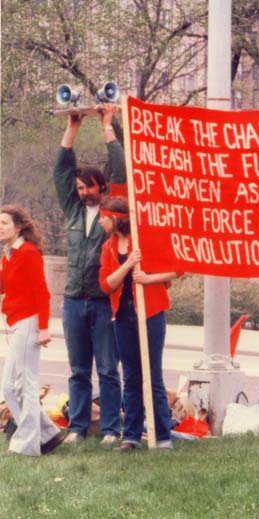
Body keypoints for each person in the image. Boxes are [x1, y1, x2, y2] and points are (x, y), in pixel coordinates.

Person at [54, 104, 123, 445]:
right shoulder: (72, 211)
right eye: (80, 188)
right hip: (72, 302)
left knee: (108, 370)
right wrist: (73, 127)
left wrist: (108, 124)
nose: (83, 192)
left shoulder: (114, 210)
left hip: (102, 302)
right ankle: (78, 427)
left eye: (89, 187)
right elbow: (61, 171)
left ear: (102, 186)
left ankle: (110, 428)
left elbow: (123, 166)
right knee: (79, 370)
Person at [98, 196, 180, 451]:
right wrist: (129, 265)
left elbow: (178, 269)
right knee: (131, 377)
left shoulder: (146, 239)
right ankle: (131, 436)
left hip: (150, 314)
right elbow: (106, 284)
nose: (100, 221)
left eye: (103, 217)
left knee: (153, 376)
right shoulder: (109, 247)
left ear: (116, 218)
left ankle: (162, 435)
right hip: (122, 317)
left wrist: (148, 278)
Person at [0, 205, 63, 456]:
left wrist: (44, 328)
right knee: (10, 386)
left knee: (22, 384)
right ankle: (47, 435)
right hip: (17, 321)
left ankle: (27, 445)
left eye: (4, 223)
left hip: (29, 322)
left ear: (18, 227)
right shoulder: (9, 253)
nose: (0, 227)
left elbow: (42, 291)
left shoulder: (28, 252)